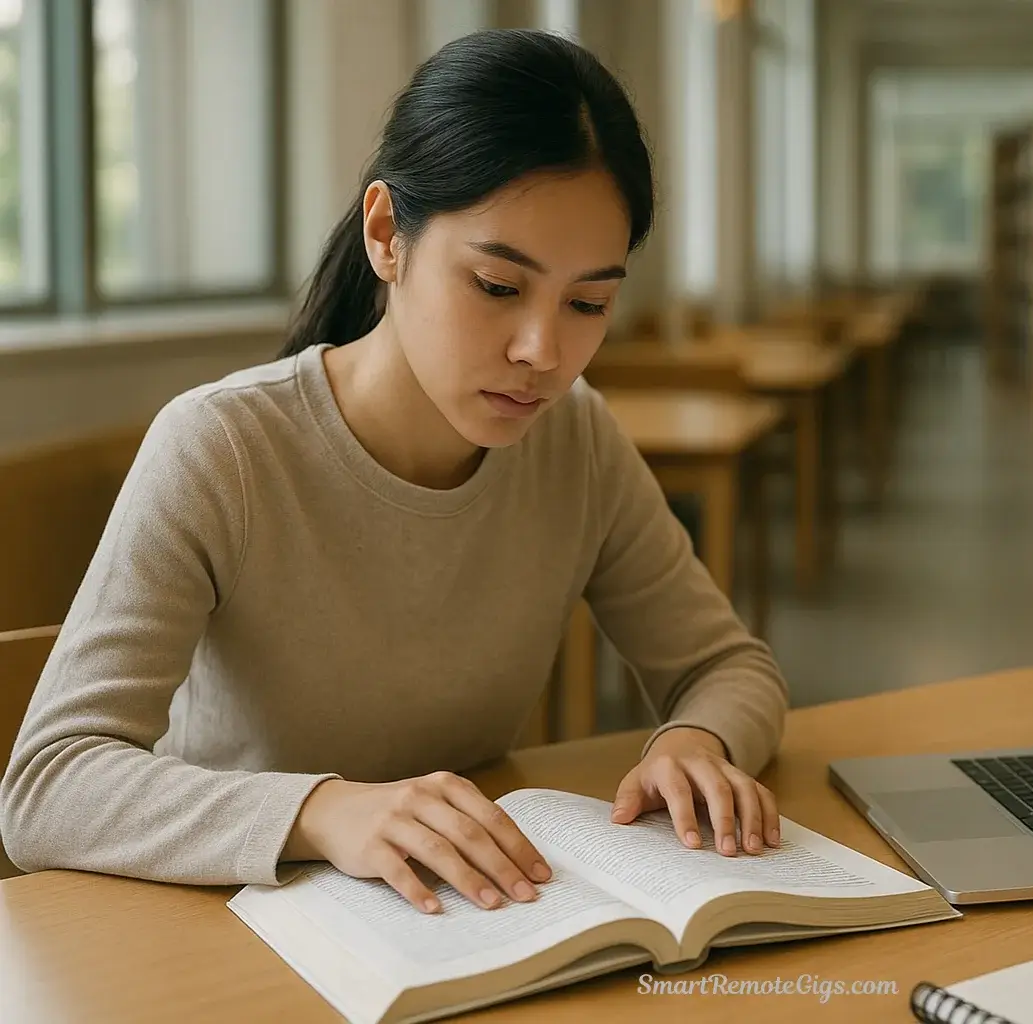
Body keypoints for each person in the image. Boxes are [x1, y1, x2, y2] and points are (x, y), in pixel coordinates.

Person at [0, 29, 788, 916]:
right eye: (497, 286)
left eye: (588, 304)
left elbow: (729, 665)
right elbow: (48, 785)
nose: (543, 350)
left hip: (457, 920)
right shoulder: (222, 448)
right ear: (387, 235)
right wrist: (323, 811)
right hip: (235, 924)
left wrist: (697, 739)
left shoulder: (576, 442)